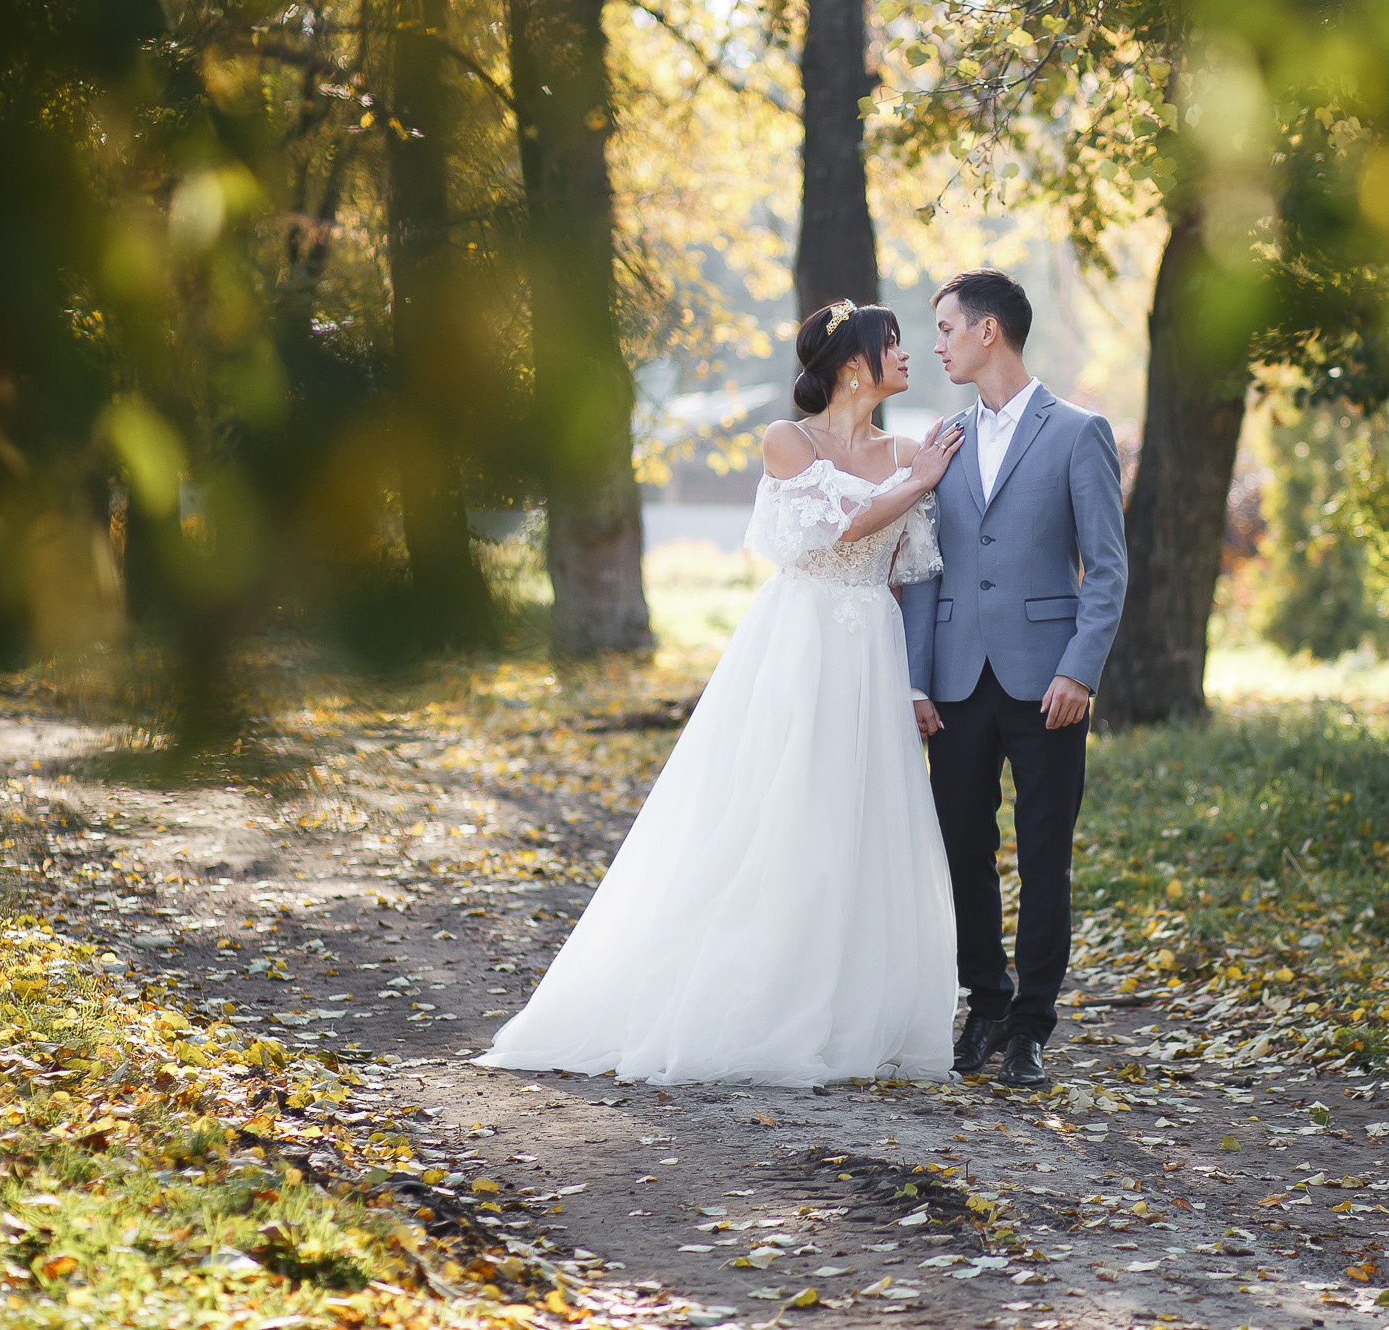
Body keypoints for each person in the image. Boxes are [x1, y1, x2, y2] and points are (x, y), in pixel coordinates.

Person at [479, 301, 965, 1086]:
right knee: (775, 806)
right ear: (851, 364)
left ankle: (847, 1007)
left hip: (869, 646)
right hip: (798, 642)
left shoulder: (910, 451)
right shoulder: (789, 440)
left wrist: (913, 678)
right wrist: (919, 483)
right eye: (893, 345)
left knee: (858, 816)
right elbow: (835, 530)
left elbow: (909, 580)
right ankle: (742, 998)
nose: (908, 357)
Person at [897, 269, 1127, 1089]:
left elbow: (1106, 568)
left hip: (1047, 684)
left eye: (947, 326)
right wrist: (916, 681)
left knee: (1044, 854)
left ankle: (1031, 1024)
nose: (937, 343)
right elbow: (922, 572)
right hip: (957, 680)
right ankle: (985, 1004)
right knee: (964, 850)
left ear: (989, 330)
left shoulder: (1078, 432)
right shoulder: (941, 442)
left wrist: (1080, 670)